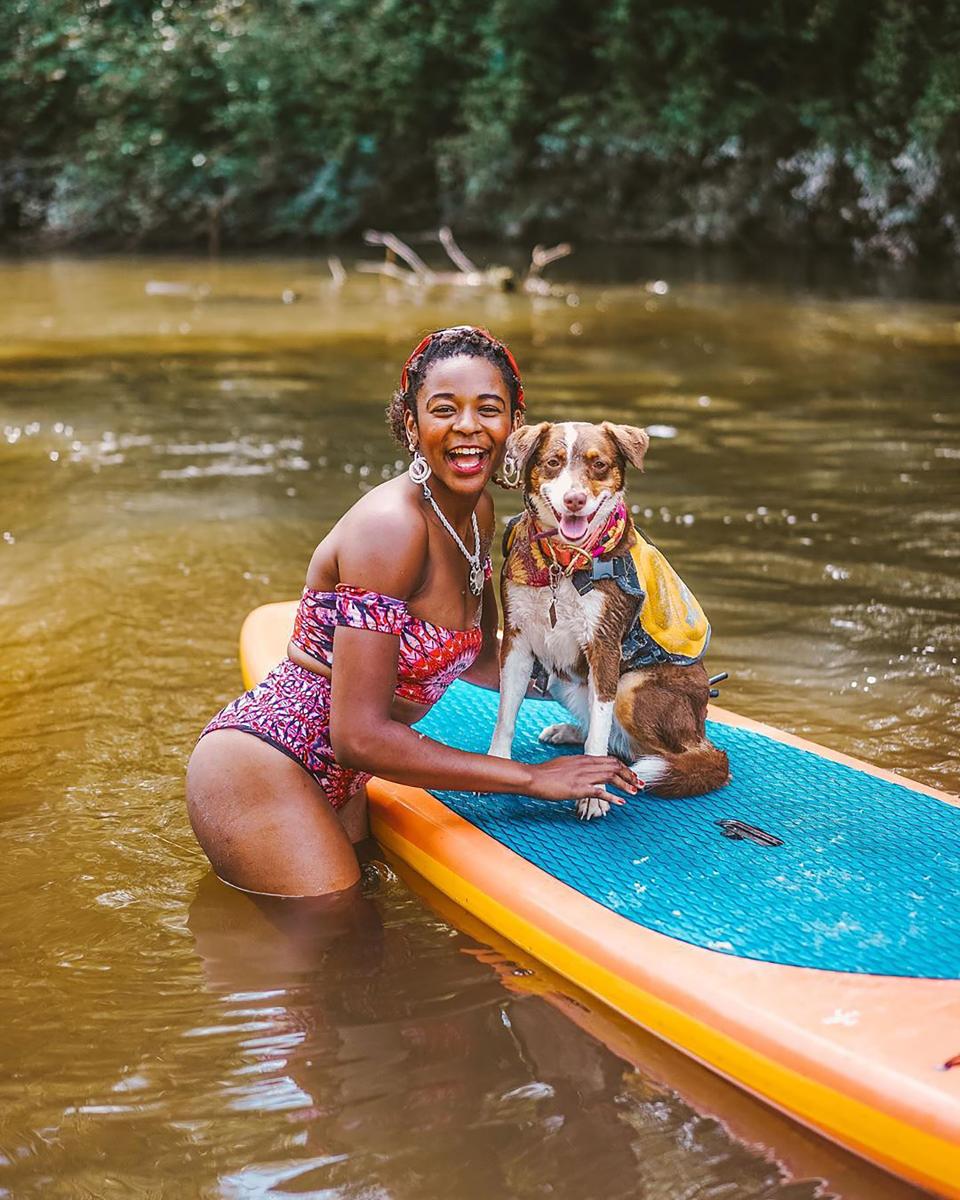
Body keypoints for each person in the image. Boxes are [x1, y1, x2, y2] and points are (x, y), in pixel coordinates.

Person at [186, 326, 639, 898]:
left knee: (375, 939)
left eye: (489, 409)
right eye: (444, 409)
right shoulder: (390, 529)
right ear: (410, 423)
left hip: (347, 779)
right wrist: (529, 777)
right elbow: (359, 735)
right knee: (334, 944)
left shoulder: (478, 512)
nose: (469, 426)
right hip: (266, 766)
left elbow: (486, 662)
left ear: (514, 426)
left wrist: (624, 692)